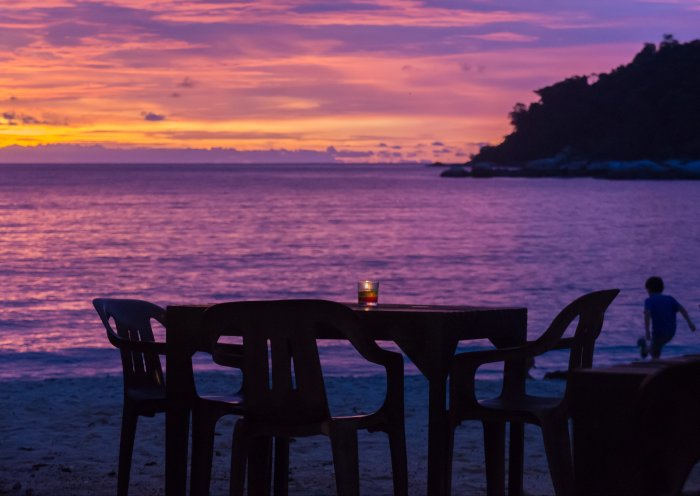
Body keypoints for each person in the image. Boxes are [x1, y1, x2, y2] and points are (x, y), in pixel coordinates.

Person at [638, 276, 696, 359]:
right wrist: (690, 323)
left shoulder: (649, 300)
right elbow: (682, 309)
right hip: (671, 333)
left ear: (648, 290)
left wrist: (647, 332)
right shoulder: (670, 299)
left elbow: (647, 314)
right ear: (662, 288)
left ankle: (644, 350)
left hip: (658, 333)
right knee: (657, 347)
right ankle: (653, 356)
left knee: (652, 348)